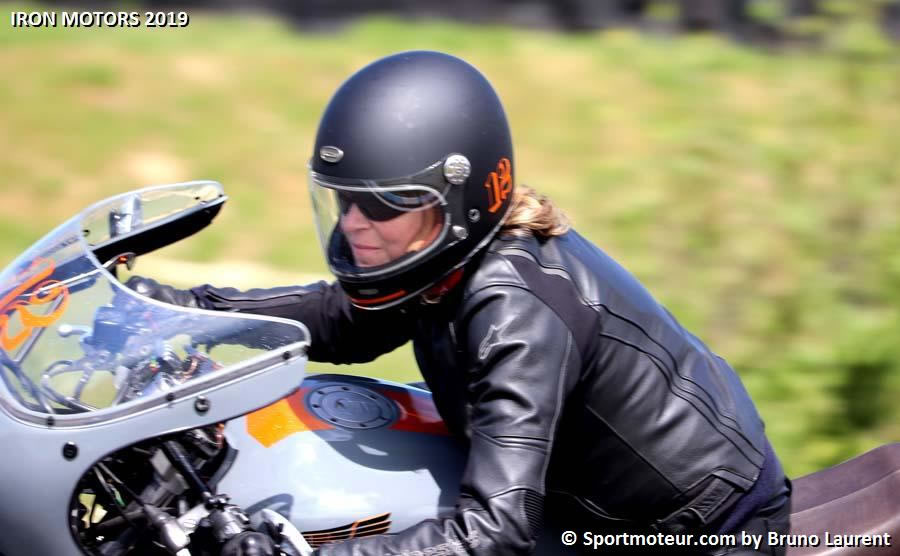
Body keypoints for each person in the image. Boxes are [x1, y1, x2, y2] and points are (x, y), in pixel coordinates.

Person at [128, 50, 791, 555]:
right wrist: (174, 310)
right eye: (346, 199)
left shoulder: (515, 311)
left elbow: (494, 530)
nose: (355, 222)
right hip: (589, 500)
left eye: (383, 202)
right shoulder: (442, 264)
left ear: (456, 200)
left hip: (697, 528)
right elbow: (340, 322)